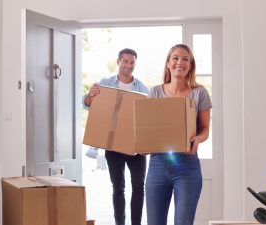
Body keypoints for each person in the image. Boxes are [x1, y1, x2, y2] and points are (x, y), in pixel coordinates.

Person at [145, 44, 212, 225]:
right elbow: (148, 128)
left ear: (190, 65)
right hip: (157, 165)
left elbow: (205, 129)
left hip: (187, 167)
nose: (179, 63)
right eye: (175, 58)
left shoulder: (200, 93)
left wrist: (197, 139)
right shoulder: (155, 92)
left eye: (185, 59)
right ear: (168, 63)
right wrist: (143, 145)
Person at [84, 48, 149, 225]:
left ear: (135, 63)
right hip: (112, 146)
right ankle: (119, 223)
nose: (128, 65)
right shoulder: (105, 84)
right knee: (118, 188)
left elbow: (148, 120)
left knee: (138, 188)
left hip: (135, 148)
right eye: (125, 61)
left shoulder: (143, 89)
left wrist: (146, 145)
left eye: (132, 62)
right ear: (118, 62)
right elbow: (88, 104)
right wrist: (90, 95)